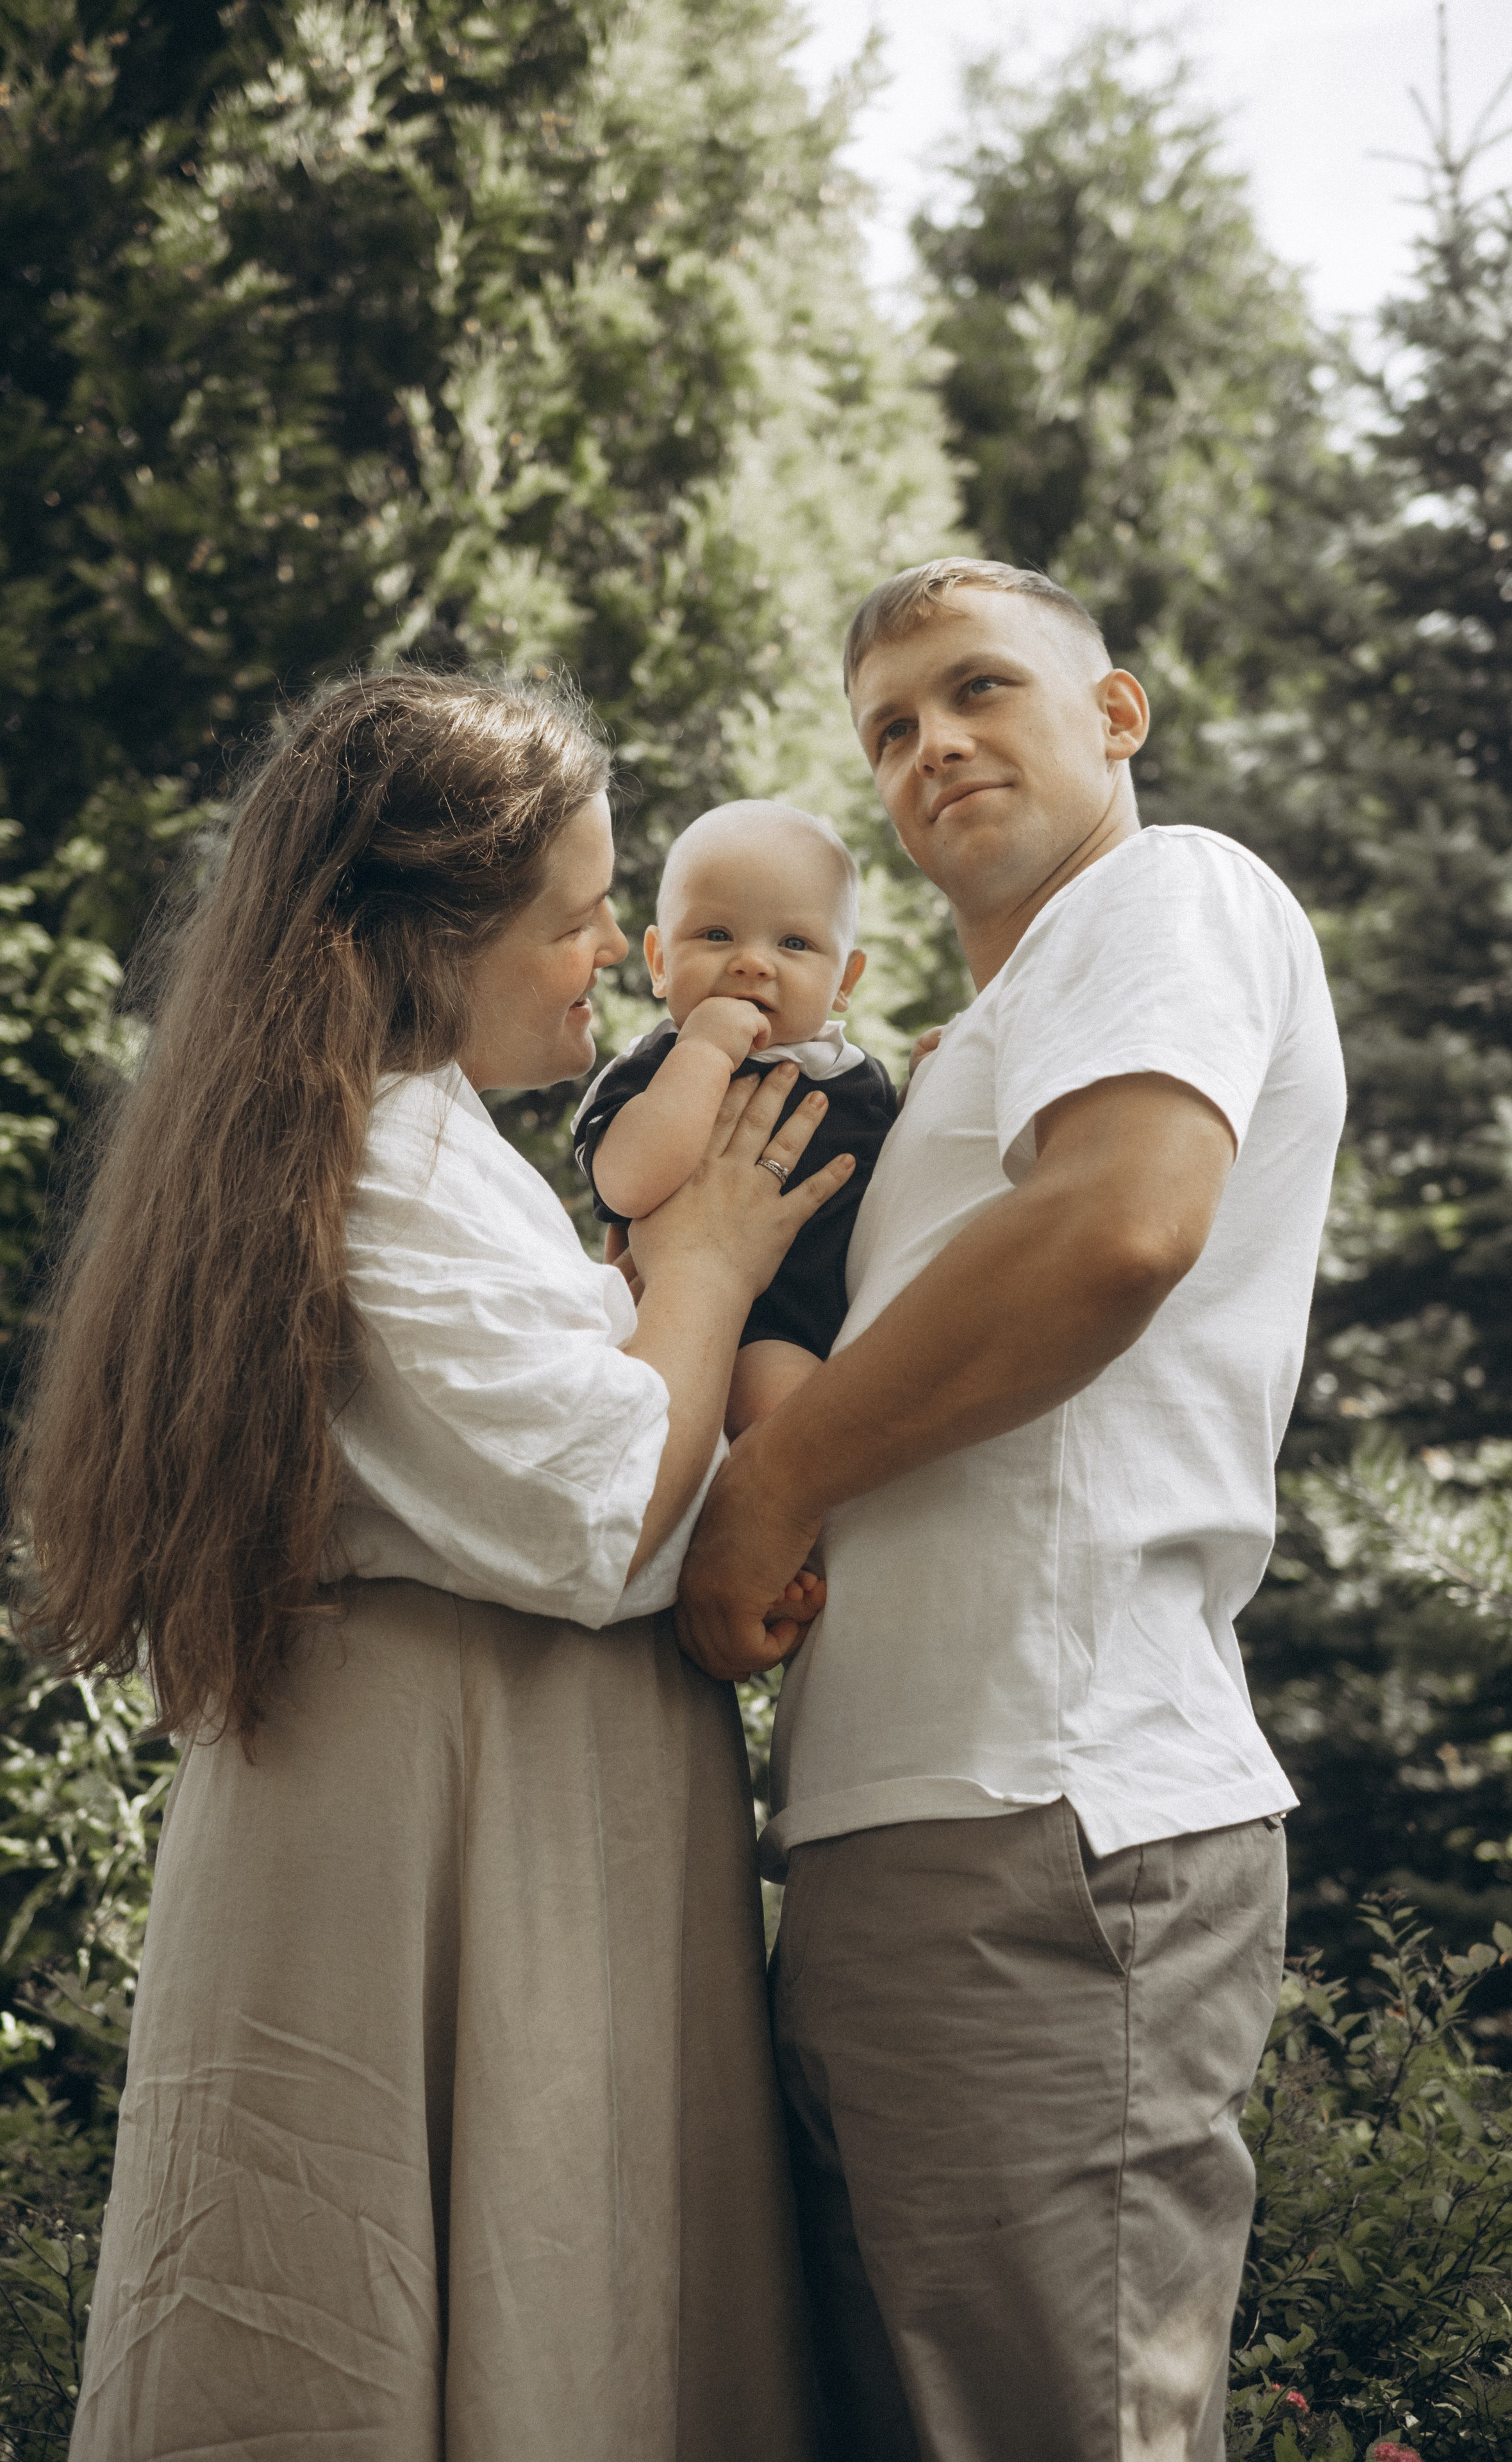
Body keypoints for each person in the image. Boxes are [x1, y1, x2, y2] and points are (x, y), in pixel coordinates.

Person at [4, 667, 847, 2460]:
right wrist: (701, 1266)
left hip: (520, 1807)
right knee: (391, 2334)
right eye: (574, 917)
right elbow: (593, 1508)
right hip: (439, 1833)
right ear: (422, 938)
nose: (618, 952)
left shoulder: (434, 1141)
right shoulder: (369, 1166)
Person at [677, 557, 1347, 2462]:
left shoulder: (1167, 890)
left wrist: (772, 1485)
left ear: (1114, 714)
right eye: (889, 726)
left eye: (980, 691)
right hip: (899, 1830)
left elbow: (1118, 1222)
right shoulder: (964, 1059)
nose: (932, 744)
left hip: (1054, 1820)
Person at [572, 800, 896, 1432]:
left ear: (844, 980)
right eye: (716, 935)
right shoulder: (654, 1066)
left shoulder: (861, 1082)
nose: (753, 962)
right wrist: (704, 1051)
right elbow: (626, 1183)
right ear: (661, 962)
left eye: (795, 943)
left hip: (842, 1322)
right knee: (776, 1407)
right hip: (725, 1325)